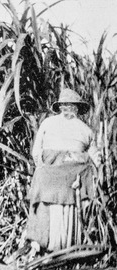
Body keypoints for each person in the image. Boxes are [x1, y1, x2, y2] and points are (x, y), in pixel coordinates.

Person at [26, 89, 99, 252]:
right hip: (74, 185)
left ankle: (41, 242)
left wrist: (45, 168)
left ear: (61, 107)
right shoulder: (86, 129)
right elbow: (97, 160)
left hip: (52, 180)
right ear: (78, 109)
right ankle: (72, 243)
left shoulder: (48, 123)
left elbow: (36, 153)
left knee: (43, 180)